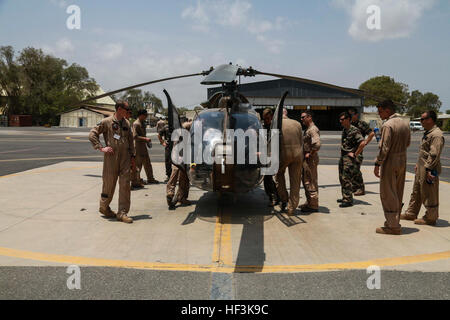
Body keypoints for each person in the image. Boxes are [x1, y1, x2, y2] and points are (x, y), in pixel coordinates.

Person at [89, 101, 136, 224]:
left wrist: (132, 157)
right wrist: (101, 147)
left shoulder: (126, 122)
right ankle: (104, 208)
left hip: (125, 158)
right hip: (111, 157)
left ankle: (122, 213)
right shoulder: (107, 122)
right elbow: (92, 133)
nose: (128, 111)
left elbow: (130, 140)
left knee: (125, 185)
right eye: (127, 109)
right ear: (120, 109)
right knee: (109, 184)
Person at [374, 100, 411, 235]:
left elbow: (384, 148)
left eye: (380, 111)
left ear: (387, 111)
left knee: (388, 193)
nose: (379, 114)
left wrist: (378, 163)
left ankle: (392, 226)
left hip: (390, 160)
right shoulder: (404, 123)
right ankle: (394, 220)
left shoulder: (388, 125)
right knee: (398, 191)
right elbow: (408, 143)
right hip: (402, 159)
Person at [401, 111, 444, 226]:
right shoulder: (428, 133)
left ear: (430, 120)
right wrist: (418, 164)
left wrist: (429, 169)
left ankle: (431, 217)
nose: (421, 122)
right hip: (422, 166)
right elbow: (424, 152)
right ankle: (411, 212)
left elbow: (434, 154)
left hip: (429, 168)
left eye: (423, 119)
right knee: (417, 191)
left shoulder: (436, 134)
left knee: (429, 193)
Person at [275, 114, 303, 216]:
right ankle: (292, 208)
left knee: (279, 175)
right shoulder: (297, 124)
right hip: (297, 154)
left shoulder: (277, 124)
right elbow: (301, 141)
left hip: (284, 154)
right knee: (295, 181)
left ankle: (284, 199)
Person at [337, 112, 366, 208]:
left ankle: (348, 200)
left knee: (346, 178)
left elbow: (362, 143)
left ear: (348, 119)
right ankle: (345, 195)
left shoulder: (354, 130)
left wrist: (355, 154)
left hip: (349, 158)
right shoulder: (345, 130)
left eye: (342, 119)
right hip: (343, 157)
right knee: (342, 177)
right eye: (340, 119)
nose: (340, 121)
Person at [348, 107, 375, 196]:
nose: (350, 116)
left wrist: (366, 142)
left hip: (358, 151)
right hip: (349, 150)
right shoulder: (349, 124)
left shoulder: (361, 124)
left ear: (356, 115)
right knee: (350, 169)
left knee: (356, 169)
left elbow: (371, 134)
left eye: (351, 115)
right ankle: (354, 187)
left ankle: (360, 188)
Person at [166, 121, 192, 210]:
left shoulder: (180, 131)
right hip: (181, 155)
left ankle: (173, 194)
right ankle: (180, 196)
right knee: (182, 176)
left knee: (177, 175)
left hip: (178, 154)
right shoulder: (188, 127)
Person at [299, 110, 321, 213]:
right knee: (306, 180)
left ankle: (313, 205)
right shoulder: (308, 129)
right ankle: (309, 202)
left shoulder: (312, 129)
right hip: (307, 160)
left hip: (310, 160)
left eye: (303, 117)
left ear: (309, 117)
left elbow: (317, 144)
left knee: (311, 182)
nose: (301, 119)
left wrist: (310, 153)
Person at [132, 109, 159, 187]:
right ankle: (136, 180)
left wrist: (146, 142)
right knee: (138, 165)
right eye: (145, 115)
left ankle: (150, 178)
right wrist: (145, 139)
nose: (146, 116)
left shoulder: (143, 123)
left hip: (143, 146)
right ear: (141, 115)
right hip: (138, 147)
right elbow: (135, 136)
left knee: (147, 164)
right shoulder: (136, 124)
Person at [262, 108, 279, 207]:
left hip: (272, 156)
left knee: (268, 178)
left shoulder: (274, 128)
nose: (266, 120)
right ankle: (274, 196)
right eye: (264, 118)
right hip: (264, 156)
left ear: (271, 117)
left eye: (267, 118)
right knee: (267, 178)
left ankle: (274, 197)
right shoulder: (264, 127)